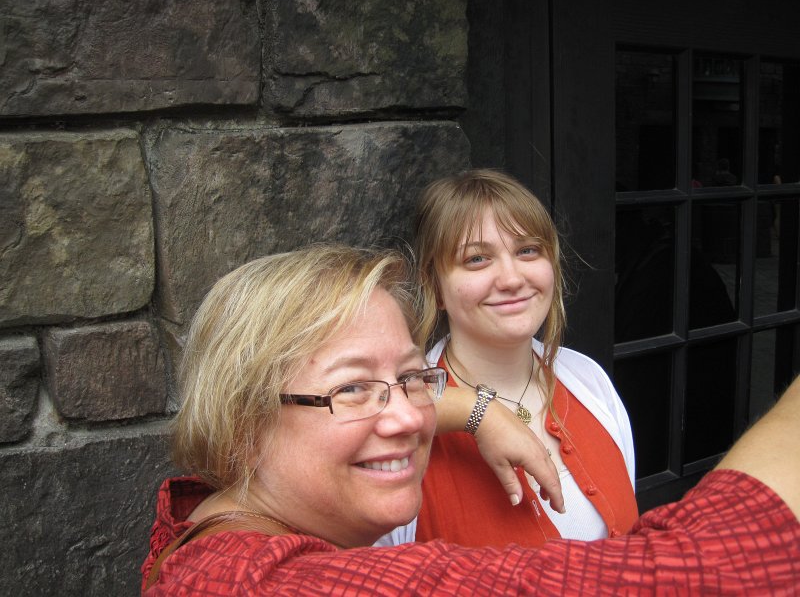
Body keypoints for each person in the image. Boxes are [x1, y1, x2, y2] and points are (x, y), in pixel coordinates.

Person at [142, 243, 799, 595]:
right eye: (352, 389)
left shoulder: (588, 380)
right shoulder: (265, 585)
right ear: (240, 425)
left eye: (411, 379)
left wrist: (471, 409)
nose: (406, 417)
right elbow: (710, 572)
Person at [406, 169, 637, 547]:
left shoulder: (588, 380)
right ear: (435, 285)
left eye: (527, 250)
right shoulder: (402, 427)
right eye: (477, 259)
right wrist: (477, 412)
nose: (512, 279)